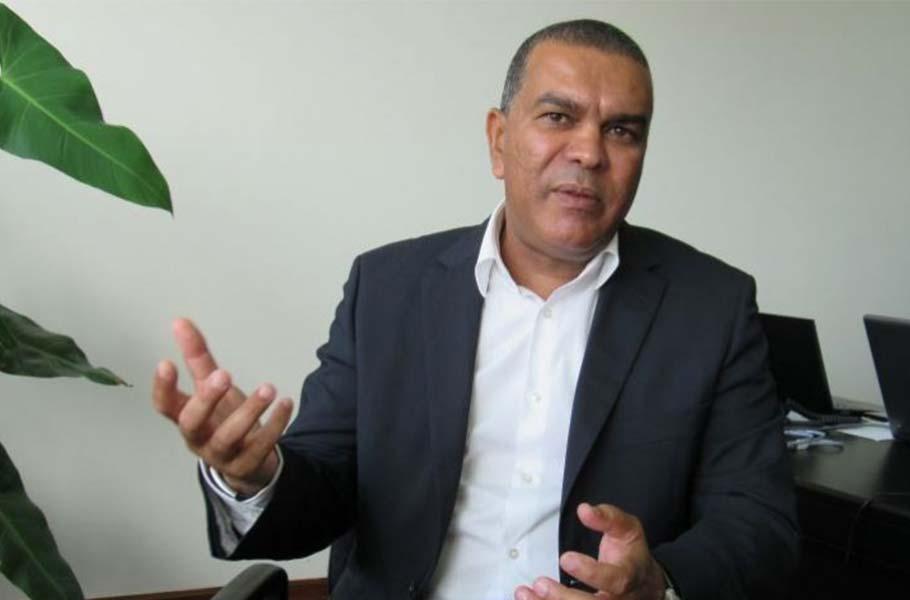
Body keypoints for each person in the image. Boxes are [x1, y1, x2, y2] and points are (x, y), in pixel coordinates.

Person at [153, 19, 798, 600]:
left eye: (621, 130)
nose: (589, 152)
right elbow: (323, 487)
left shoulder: (710, 306)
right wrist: (254, 475)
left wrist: (658, 583)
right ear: (498, 139)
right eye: (558, 117)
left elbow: (759, 522)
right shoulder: (388, 288)